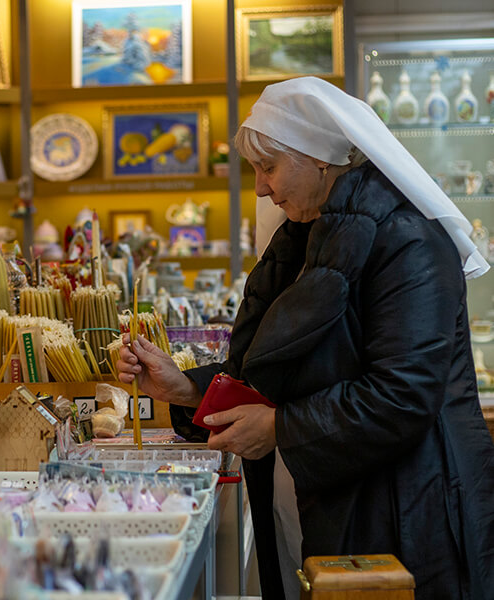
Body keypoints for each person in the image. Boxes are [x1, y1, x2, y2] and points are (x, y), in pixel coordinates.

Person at [117, 77, 494, 600]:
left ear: (320, 159)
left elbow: (403, 394)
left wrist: (280, 429)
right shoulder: (302, 239)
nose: (260, 189)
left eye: (268, 168)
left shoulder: (409, 241)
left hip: (402, 508)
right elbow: (274, 373)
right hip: (320, 498)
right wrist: (184, 388)